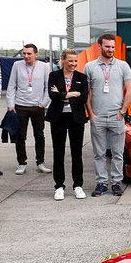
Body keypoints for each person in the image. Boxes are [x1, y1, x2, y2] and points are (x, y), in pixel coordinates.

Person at [84, 34, 131, 197]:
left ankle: (117, 183)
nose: (111, 50)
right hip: (97, 117)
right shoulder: (90, 67)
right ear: (99, 47)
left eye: (113, 47)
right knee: (99, 153)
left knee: (117, 152)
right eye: (107, 47)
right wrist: (91, 113)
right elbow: (86, 93)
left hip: (116, 117)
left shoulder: (123, 66)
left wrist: (122, 112)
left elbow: (130, 89)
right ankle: (101, 183)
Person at [46, 49, 89, 200]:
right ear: (63, 60)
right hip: (58, 118)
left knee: (77, 153)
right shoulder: (54, 76)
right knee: (58, 153)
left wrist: (63, 95)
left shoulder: (81, 77)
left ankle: (78, 185)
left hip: (76, 118)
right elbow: (52, 95)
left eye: (75, 61)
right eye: (70, 61)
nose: (73, 64)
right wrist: (72, 94)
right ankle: (59, 186)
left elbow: (83, 97)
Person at [6, 43, 52, 175]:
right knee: (20, 136)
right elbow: (11, 85)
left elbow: (47, 86)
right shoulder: (17, 65)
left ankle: (41, 162)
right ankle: (21, 163)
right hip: (20, 106)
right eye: (24, 53)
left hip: (37, 107)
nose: (26, 56)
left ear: (36, 54)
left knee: (39, 135)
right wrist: (10, 104)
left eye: (29, 54)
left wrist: (44, 103)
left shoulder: (44, 67)